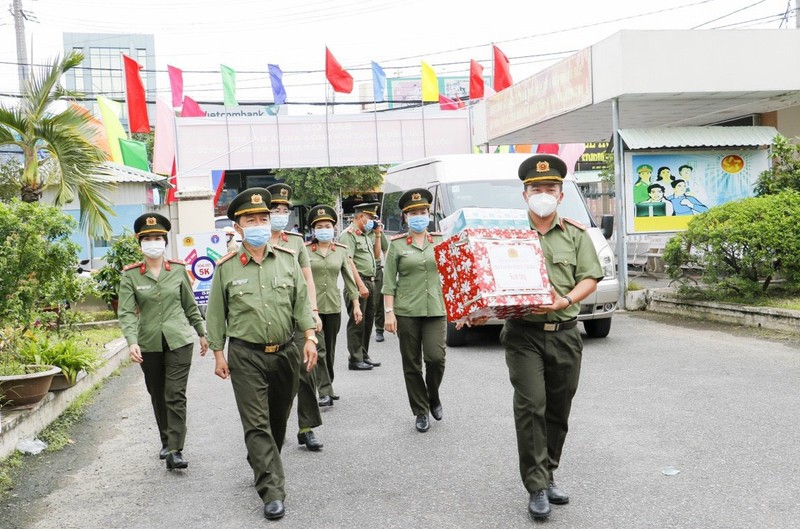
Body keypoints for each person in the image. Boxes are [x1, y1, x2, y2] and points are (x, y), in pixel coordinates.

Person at [465, 154, 603, 520]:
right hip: (523, 334)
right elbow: (484, 278)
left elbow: (590, 277)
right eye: (536, 188)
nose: (543, 193)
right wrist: (476, 310)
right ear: (525, 194)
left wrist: (567, 299)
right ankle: (537, 485)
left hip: (566, 333)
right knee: (531, 406)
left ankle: (549, 470)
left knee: (559, 409)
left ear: (560, 195)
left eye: (550, 188)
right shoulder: (505, 236)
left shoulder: (576, 234)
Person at [206, 188, 318, 521]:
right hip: (245, 354)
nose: (258, 224)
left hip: (285, 351)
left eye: (263, 219)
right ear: (238, 228)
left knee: (278, 419)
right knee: (256, 424)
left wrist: (309, 337)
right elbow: (216, 314)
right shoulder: (226, 268)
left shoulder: (287, 259)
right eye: (250, 220)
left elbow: (300, 302)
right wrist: (217, 354)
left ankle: (262, 458)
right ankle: (272, 490)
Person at [117, 213, 208, 471]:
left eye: (157, 237)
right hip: (148, 343)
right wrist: (131, 341)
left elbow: (190, 305)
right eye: (148, 239)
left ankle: (176, 449)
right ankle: (166, 440)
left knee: (175, 394)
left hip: (179, 339)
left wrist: (201, 333)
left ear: (165, 241)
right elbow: (125, 311)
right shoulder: (131, 276)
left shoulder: (178, 270)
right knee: (158, 393)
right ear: (140, 244)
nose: (153, 242)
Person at [266, 183, 325, 451]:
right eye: (274, 209)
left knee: (306, 370)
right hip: (269, 318)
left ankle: (306, 427)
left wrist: (313, 312)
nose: (280, 213)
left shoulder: (297, 241)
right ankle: (271, 426)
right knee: (276, 378)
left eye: (284, 209)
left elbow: (308, 279)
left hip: (297, 315)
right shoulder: (255, 238)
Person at [382, 189, 446, 433]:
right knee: (412, 362)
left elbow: (453, 277)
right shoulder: (397, 245)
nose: (419, 216)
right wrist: (389, 312)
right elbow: (389, 281)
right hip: (407, 310)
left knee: (435, 358)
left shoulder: (440, 240)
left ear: (429, 214)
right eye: (414, 213)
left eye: (423, 212)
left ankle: (433, 395)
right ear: (405, 217)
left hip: (437, 308)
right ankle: (420, 410)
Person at [305, 205, 362, 407]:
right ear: (313, 229)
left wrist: (356, 304)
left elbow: (349, 280)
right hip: (312, 309)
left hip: (334, 307)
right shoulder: (304, 251)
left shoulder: (340, 251)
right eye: (319, 226)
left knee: (329, 350)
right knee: (319, 349)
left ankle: (327, 384)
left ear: (334, 228)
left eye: (327, 225)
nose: (324, 229)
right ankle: (325, 391)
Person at [338, 202, 383, 371]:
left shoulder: (366, 234)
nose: (373, 221)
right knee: (357, 322)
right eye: (370, 217)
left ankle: (364, 354)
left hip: (371, 281)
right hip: (359, 283)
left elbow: (377, 256)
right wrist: (359, 285)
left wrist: (378, 235)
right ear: (361, 217)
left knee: (368, 321)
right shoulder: (348, 235)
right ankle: (355, 358)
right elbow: (349, 262)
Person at [373, 229, 389, 343]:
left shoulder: (378, 232)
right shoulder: (352, 233)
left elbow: (386, 250)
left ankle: (379, 329)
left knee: (378, 302)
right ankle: (363, 327)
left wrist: (389, 270)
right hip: (360, 272)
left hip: (377, 270)